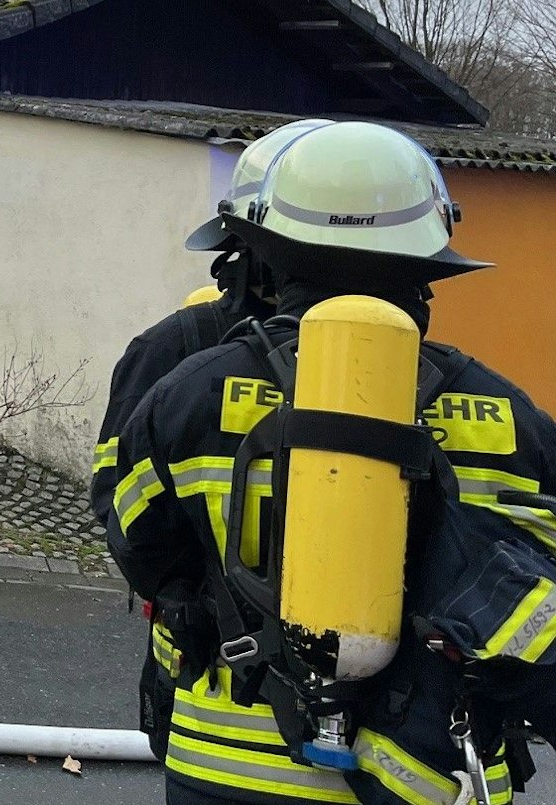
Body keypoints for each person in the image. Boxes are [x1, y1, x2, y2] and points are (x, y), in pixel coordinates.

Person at [105, 121, 556, 805]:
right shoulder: (509, 417)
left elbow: (133, 532)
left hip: (232, 768)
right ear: (425, 262)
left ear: (271, 256)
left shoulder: (192, 394)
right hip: (437, 779)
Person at [90, 118, 329, 760]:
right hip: (207, 667)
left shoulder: (392, 366)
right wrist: (192, 601)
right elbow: (117, 496)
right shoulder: (175, 350)